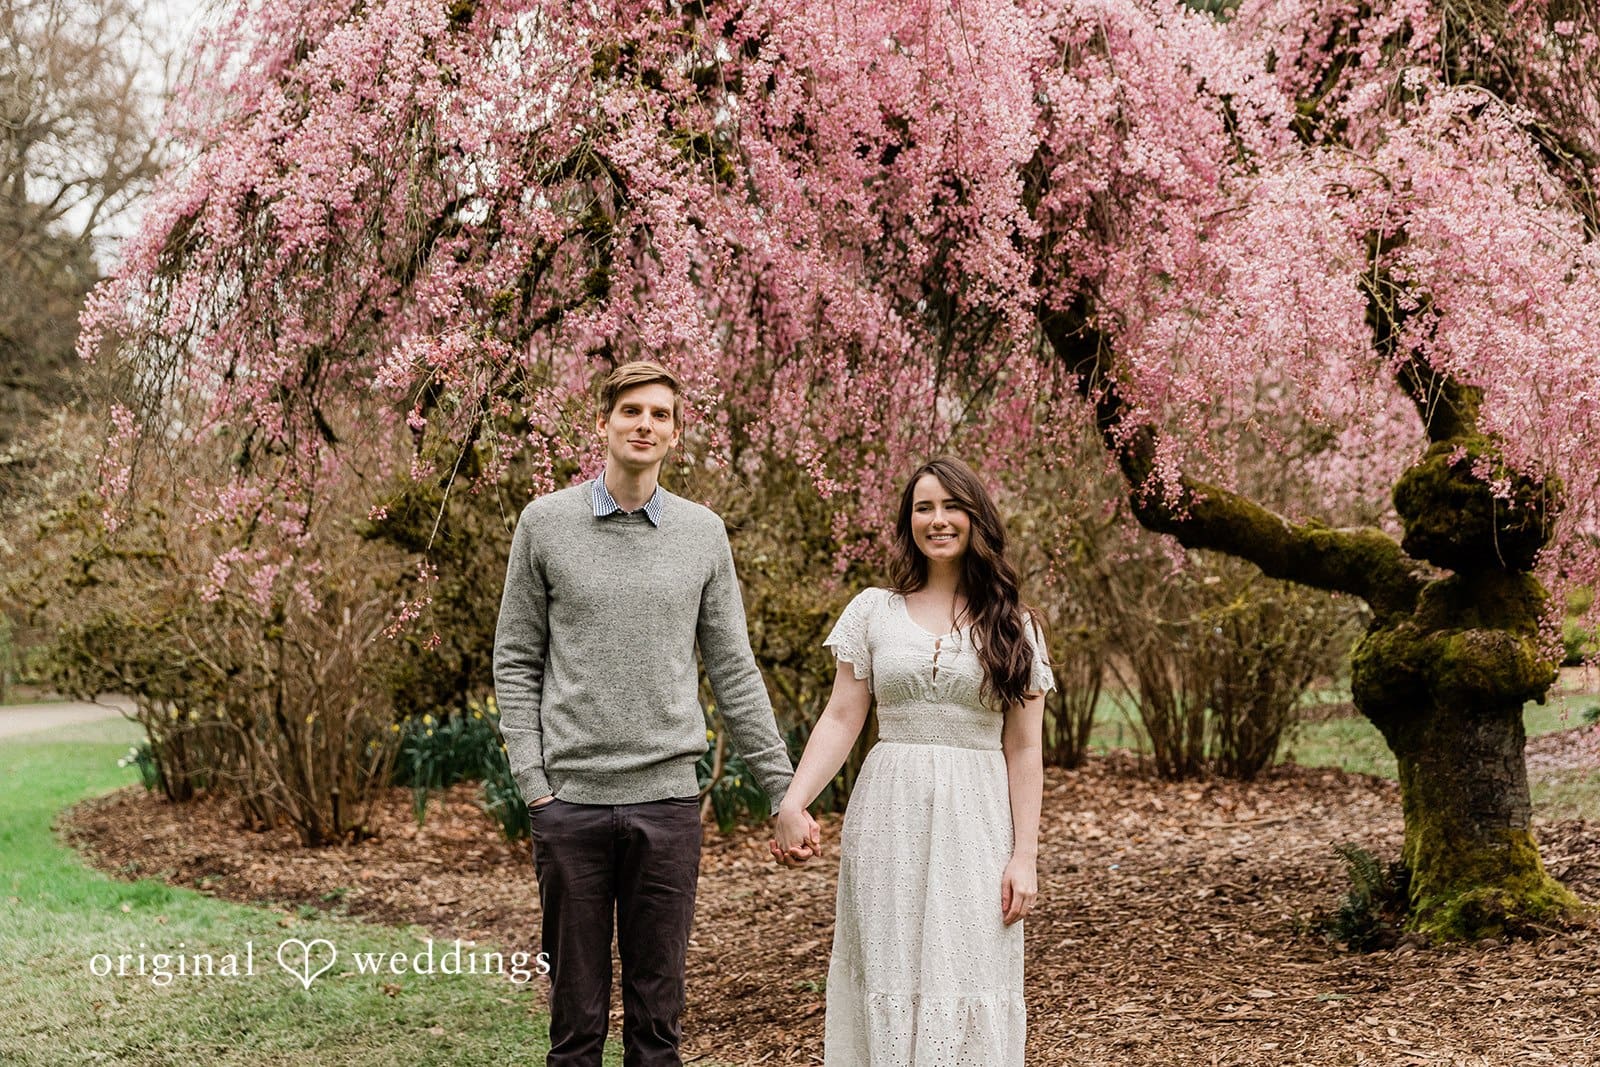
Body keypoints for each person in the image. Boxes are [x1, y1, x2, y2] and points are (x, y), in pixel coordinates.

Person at [494, 360, 814, 1067]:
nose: (645, 424)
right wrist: (534, 785)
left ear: (675, 433)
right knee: (574, 1030)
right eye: (632, 410)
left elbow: (733, 668)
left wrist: (782, 791)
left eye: (660, 415)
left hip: (667, 805)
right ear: (603, 423)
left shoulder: (702, 533)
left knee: (656, 1028)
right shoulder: (544, 524)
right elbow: (514, 660)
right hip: (570, 805)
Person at [771, 455, 1051, 1065]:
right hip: (888, 815)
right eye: (924, 507)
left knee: (967, 965)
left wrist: (1023, 856)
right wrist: (794, 801)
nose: (938, 519)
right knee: (888, 965)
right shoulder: (873, 611)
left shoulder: (1015, 627)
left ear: (976, 518)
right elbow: (843, 718)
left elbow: (1024, 747)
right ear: (909, 521)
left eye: (952, 506)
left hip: (978, 821)